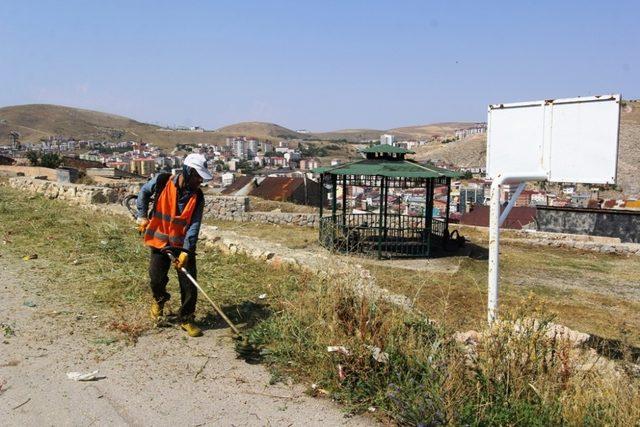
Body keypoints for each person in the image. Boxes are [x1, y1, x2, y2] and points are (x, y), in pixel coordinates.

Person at [135, 153, 212, 337]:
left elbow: (194, 225)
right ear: (187, 171)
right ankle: (159, 301)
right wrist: (143, 216)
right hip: (160, 241)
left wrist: (186, 250)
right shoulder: (162, 181)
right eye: (197, 176)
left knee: (188, 284)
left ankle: (186, 318)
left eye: (201, 177)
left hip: (182, 244)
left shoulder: (198, 197)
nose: (200, 181)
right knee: (156, 278)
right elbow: (144, 192)